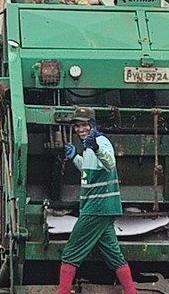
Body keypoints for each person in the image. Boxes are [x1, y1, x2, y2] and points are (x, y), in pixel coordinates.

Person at [57, 106, 137, 294]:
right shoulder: (89, 146)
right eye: (77, 126)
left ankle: (63, 291)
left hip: (96, 208)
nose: (80, 129)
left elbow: (109, 163)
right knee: (114, 255)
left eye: (84, 125)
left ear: (92, 125)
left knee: (71, 252)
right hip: (102, 208)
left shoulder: (101, 142)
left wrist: (97, 147)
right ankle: (131, 291)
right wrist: (75, 157)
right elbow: (89, 171)